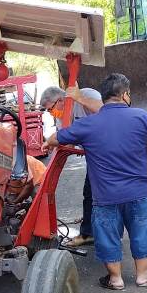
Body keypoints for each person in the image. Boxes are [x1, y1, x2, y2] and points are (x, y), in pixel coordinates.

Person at [42, 73, 147, 290]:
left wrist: (48, 144)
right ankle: (142, 276)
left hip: (105, 196)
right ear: (125, 95)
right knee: (142, 233)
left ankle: (115, 279)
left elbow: (55, 139)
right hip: (138, 192)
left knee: (107, 237)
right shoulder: (142, 117)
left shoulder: (89, 124)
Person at [39, 86, 102, 246]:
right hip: (94, 155)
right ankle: (91, 232)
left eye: (51, 109)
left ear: (60, 100)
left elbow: (105, 112)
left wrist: (78, 97)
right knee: (90, 193)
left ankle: (96, 233)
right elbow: (64, 137)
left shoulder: (87, 95)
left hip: (108, 152)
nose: (51, 113)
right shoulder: (62, 116)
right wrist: (52, 143)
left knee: (99, 193)